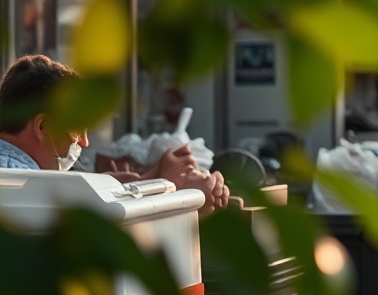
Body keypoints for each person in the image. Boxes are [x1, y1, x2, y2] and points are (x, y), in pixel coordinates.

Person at [0, 54, 229, 215]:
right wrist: (176, 193)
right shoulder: (22, 186)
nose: (85, 142)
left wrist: (132, 183)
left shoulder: (16, 175)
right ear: (43, 127)